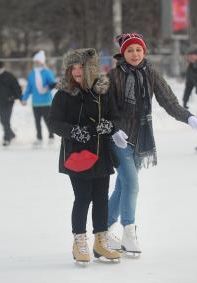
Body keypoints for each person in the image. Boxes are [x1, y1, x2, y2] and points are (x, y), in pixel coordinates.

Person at [106, 33, 197, 256]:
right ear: (123, 53)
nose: (134, 54)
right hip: (119, 138)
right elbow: (106, 108)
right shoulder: (113, 76)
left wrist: (189, 117)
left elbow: (168, 101)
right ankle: (129, 234)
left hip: (141, 137)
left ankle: (102, 228)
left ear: (144, 52)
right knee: (131, 184)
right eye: (130, 50)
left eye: (138, 50)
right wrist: (114, 130)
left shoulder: (150, 73)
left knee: (122, 187)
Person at [49, 48, 121, 264]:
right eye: (73, 68)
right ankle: (79, 240)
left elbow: (116, 117)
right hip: (77, 154)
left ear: (90, 69)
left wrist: (109, 125)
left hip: (101, 152)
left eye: (81, 67)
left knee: (101, 199)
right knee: (83, 198)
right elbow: (53, 122)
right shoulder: (64, 93)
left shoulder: (103, 91)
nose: (77, 72)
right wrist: (74, 131)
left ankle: (101, 241)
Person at [22, 50, 57, 146]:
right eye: (35, 61)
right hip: (35, 102)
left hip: (46, 102)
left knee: (47, 121)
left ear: (42, 62)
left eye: (38, 61)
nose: (37, 63)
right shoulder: (32, 73)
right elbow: (29, 87)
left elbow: (52, 83)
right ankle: (39, 137)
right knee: (37, 121)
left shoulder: (47, 72)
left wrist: (51, 85)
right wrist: (24, 98)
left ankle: (51, 136)